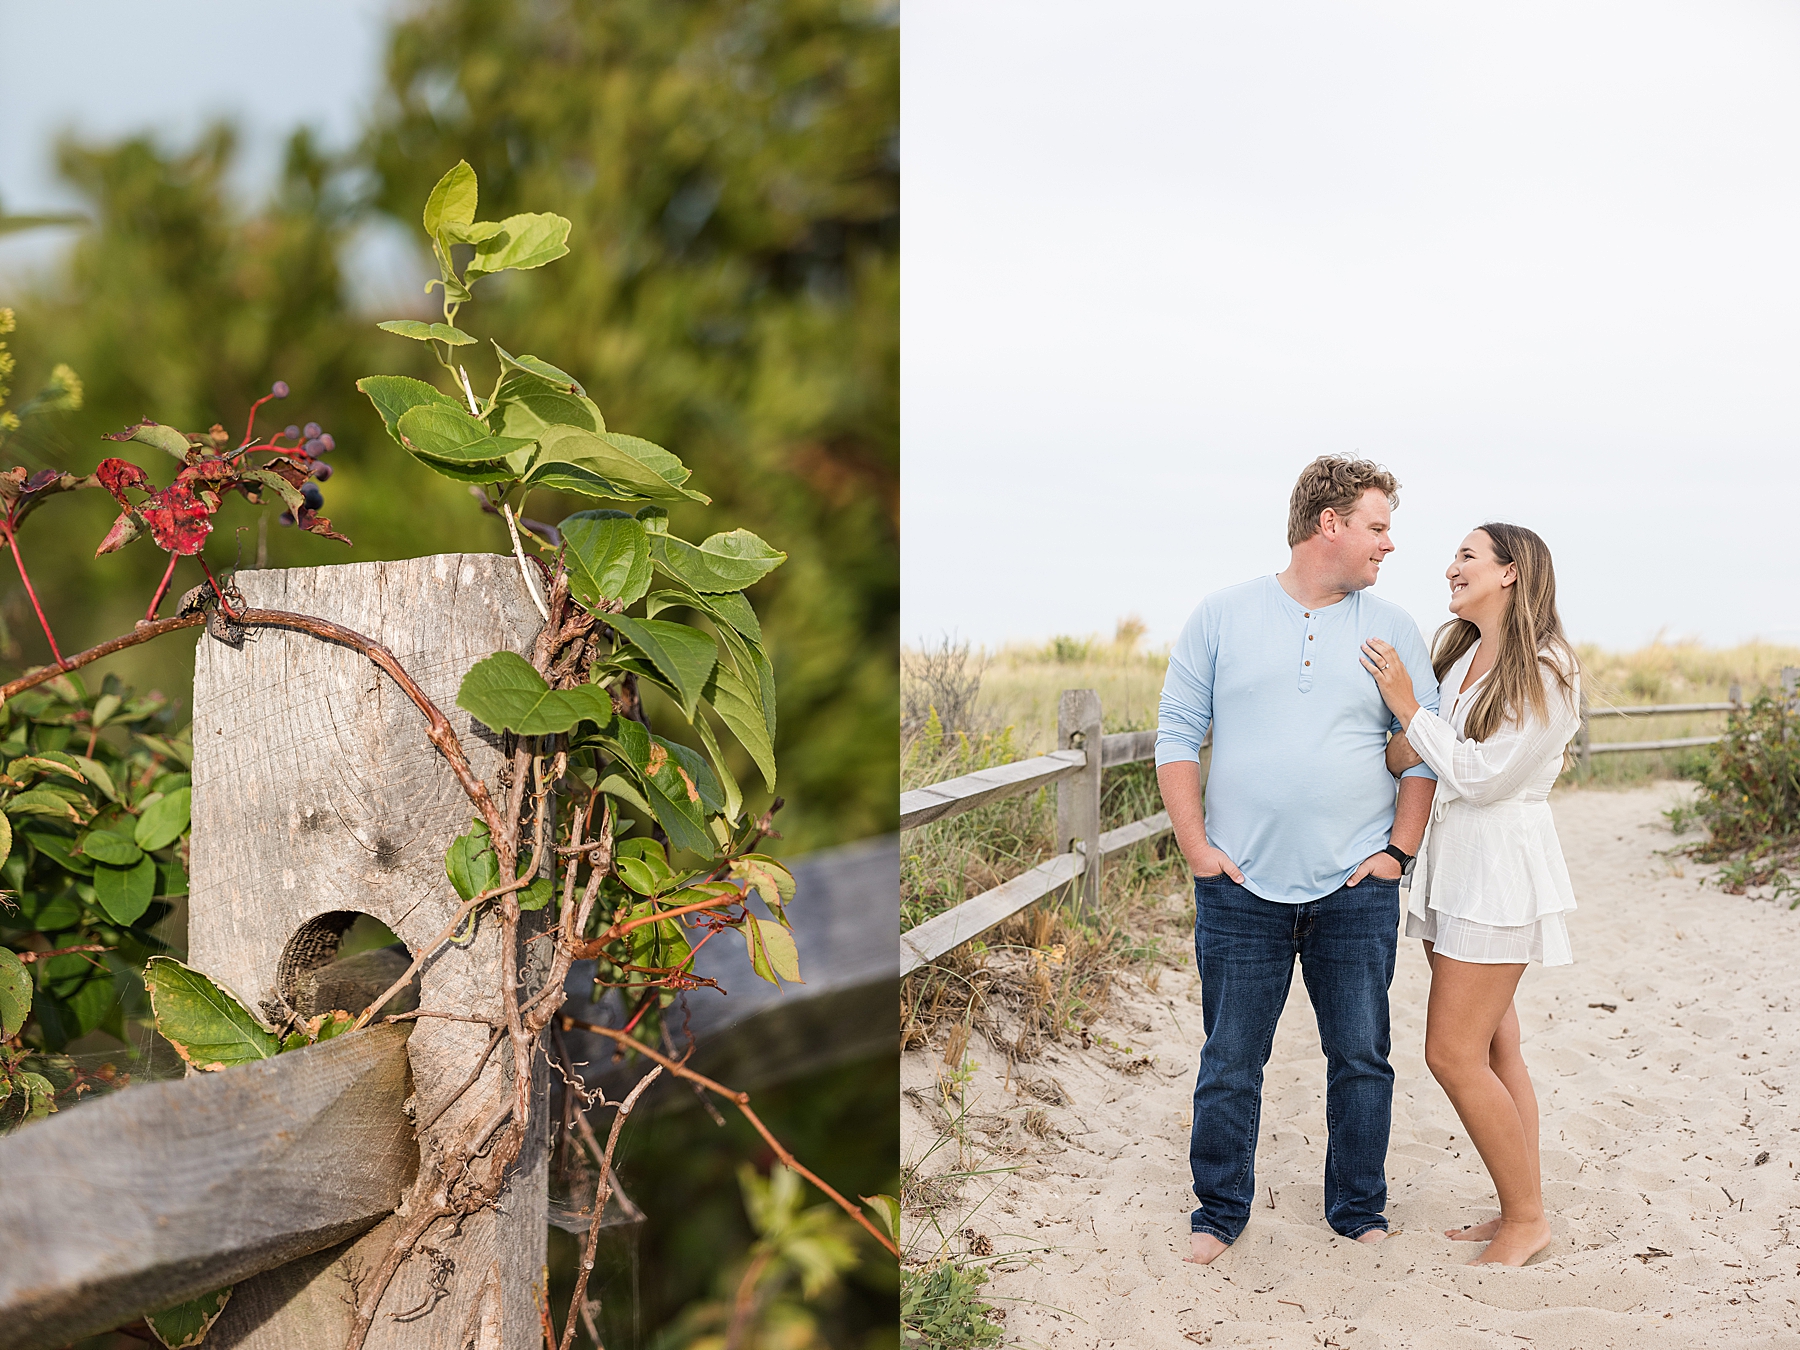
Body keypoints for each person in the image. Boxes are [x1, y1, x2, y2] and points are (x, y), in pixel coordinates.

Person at [1155, 455, 1440, 1265]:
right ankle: (1218, 1213)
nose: (1388, 545)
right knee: (1231, 1060)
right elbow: (1178, 735)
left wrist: (1398, 852)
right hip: (1240, 885)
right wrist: (1196, 847)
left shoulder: (1395, 629)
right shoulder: (1222, 614)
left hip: (1356, 885)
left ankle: (1357, 1208)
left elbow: (1421, 751)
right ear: (1330, 524)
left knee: (1360, 1057)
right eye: (1377, 527)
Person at [1360, 521, 1580, 1267]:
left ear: (1512, 572)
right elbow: (1414, 750)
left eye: (1467, 556)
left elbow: (1485, 776)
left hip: (1499, 871)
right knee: (1494, 1045)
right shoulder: (1458, 655)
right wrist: (1411, 724)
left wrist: (1408, 712)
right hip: (1453, 866)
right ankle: (1522, 1205)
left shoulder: (1547, 667)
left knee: (1451, 1053)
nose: (1450, 567)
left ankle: (1526, 1220)